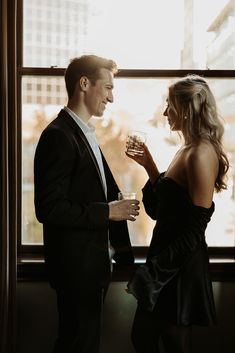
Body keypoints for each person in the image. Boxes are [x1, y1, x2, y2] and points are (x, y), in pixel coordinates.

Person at [34, 54, 140, 353]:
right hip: (76, 271)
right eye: (107, 87)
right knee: (77, 346)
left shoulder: (84, 133)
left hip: (91, 268)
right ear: (84, 84)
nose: (112, 97)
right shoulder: (58, 136)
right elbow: (49, 209)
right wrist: (109, 211)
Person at [126, 75, 229, 353]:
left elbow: (196, 227)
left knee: (170, 343)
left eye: (169, 105)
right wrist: (149, 165)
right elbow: (162, 211)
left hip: (178, 267)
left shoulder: (200, 153)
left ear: (185, 108)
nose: (164, 112)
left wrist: (157, 272)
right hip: (166, 260)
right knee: (145, 337)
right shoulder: (185, 149)